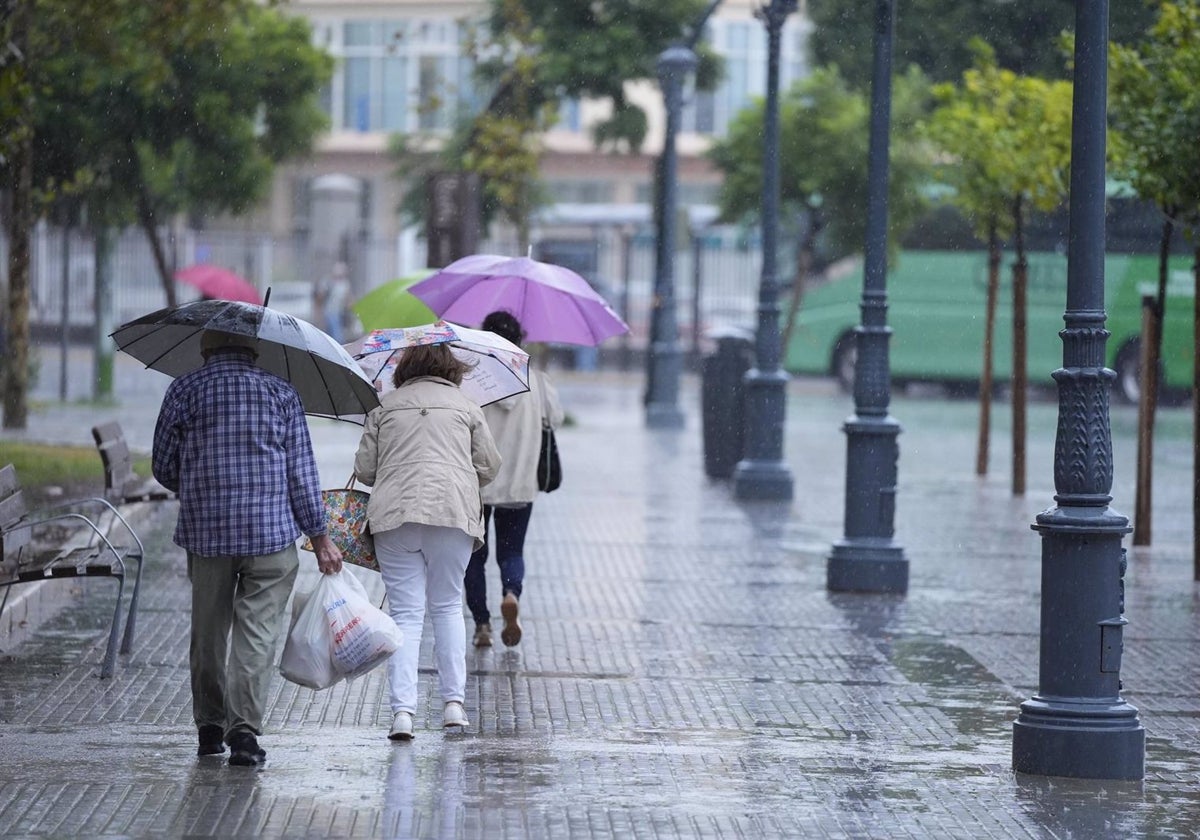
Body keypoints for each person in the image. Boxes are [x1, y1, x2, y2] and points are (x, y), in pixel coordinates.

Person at [152, 329, 343, 767]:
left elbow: (163, 466)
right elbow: (301, 474)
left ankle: (208, 729)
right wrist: (320, 536)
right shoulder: (281, 392)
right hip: (270, 537)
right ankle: (243, 735)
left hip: (207, 535)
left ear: (205, 348)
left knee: (208, 634)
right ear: (255, 349)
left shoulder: (184, 389)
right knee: (256, 636)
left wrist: (201, 478)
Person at [353, 343, 501, 741]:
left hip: (394, 516)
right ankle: (454, 705)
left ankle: (403, 713)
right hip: (451, 514)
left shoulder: (384, 408)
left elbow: (364, 471)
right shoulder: (467, 407)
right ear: (451, 369)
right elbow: (489, 466)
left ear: (404, 369)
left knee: (405, 616)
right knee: (449, 607)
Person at [465, 310, 564, 649]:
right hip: (520, 483)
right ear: (519, 340)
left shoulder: (474, 381)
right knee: (512, 551)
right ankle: (511, 592)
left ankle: (482, 625)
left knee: (474, 556)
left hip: (476, 483)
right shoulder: (536, 381)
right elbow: (557, 418)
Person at [314, 261, 350, 342]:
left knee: (329, 334)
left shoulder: (345, 283)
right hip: (329, 311)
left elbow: (347, 298)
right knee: (337, 335)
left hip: (339, 312)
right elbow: (320, 297)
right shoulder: (328, 282)